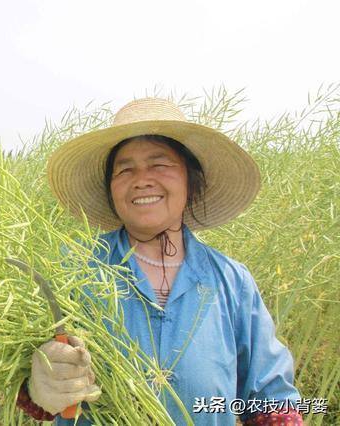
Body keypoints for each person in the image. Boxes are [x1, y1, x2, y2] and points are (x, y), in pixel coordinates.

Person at [15, 98, 303, 425]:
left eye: (160, 164)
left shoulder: (232, 283)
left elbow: (272, 402)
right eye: (125, 169)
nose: (142, 179)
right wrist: (39, 389)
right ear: (111, 190)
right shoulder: (70, 270)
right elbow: (21, 383)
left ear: (191, 183)